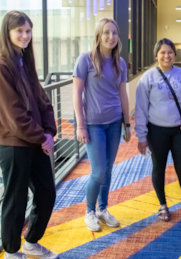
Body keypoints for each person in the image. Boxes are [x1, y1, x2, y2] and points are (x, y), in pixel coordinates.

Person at [0, 11, 58, 259]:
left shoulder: (23, 62)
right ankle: (11, 251)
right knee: (16, 200)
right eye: (19, 31)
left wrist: (49, 132)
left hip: (35, 142)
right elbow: (14, 115)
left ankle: (31, 242)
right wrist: (41, 137)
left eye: (28, 31)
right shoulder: (0, 65)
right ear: (8, 33)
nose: (25, 35)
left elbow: (43, 101)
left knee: (47, 193)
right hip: (14, 145)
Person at [72, 18, 130, 232]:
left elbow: (123, 94)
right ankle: (89, 211)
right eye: (106, 32)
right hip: (93, 124)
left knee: (108, 169)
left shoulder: (120, 63)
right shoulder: (85, 60)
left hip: (114, 123)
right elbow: (76, 94)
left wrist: (127, 123)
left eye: (114, 33)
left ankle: (103, 209)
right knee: (98, 171)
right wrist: (80, 126)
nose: (111, 37)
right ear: (98, 35)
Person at [135, 38, 181, 222]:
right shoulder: (148, 78)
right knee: (159, 168)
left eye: (170, 52)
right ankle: (163, 205)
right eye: (162, 52)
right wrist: (141, 136)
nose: (166, 55)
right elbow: (140, 109)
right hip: (157, 131)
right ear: (156, 55)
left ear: (175, 54)